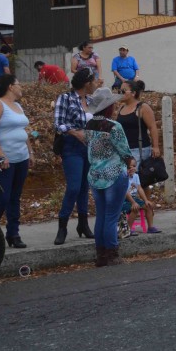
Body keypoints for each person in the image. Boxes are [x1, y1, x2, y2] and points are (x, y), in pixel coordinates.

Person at [84, 87, 136, 267]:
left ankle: (101, 255)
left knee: (101, 215)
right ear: (108, 107)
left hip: (95, 174)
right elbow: (124, 151)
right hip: (113, 174)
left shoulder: (89, 125)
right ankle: (112, 253)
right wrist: (131, 163)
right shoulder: (114, 126)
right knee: (112, 216)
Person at [0, 75, 32, 248]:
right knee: (2, 197)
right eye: (19, 84)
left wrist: (30, 152)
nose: (21, 88)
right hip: (3, 160)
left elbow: (22, 130)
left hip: (21, 158)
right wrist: (0, 154)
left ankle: (13, 234)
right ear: (11, 86)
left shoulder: (18, 106)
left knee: (15, 197)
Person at [53, 68, 97, 245]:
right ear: (87, 83)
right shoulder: (66, 98)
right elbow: (58, 123)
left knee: (85, 187)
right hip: (71, 147)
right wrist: (74, 132)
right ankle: (62, 226)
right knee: (73, 187)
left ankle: (83, 224)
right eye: (93, 81)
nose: (95, 84)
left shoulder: (92, 101)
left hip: (89, 147)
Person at [116, 80, 160, 170]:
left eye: (123, 91)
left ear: (133, 93)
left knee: (135, 179)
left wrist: (155, 147)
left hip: (139, 149)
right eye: (119, 91)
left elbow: (152, 127)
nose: (120, 93)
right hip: (123, 150)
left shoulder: (142, 107)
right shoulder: (121, 107)